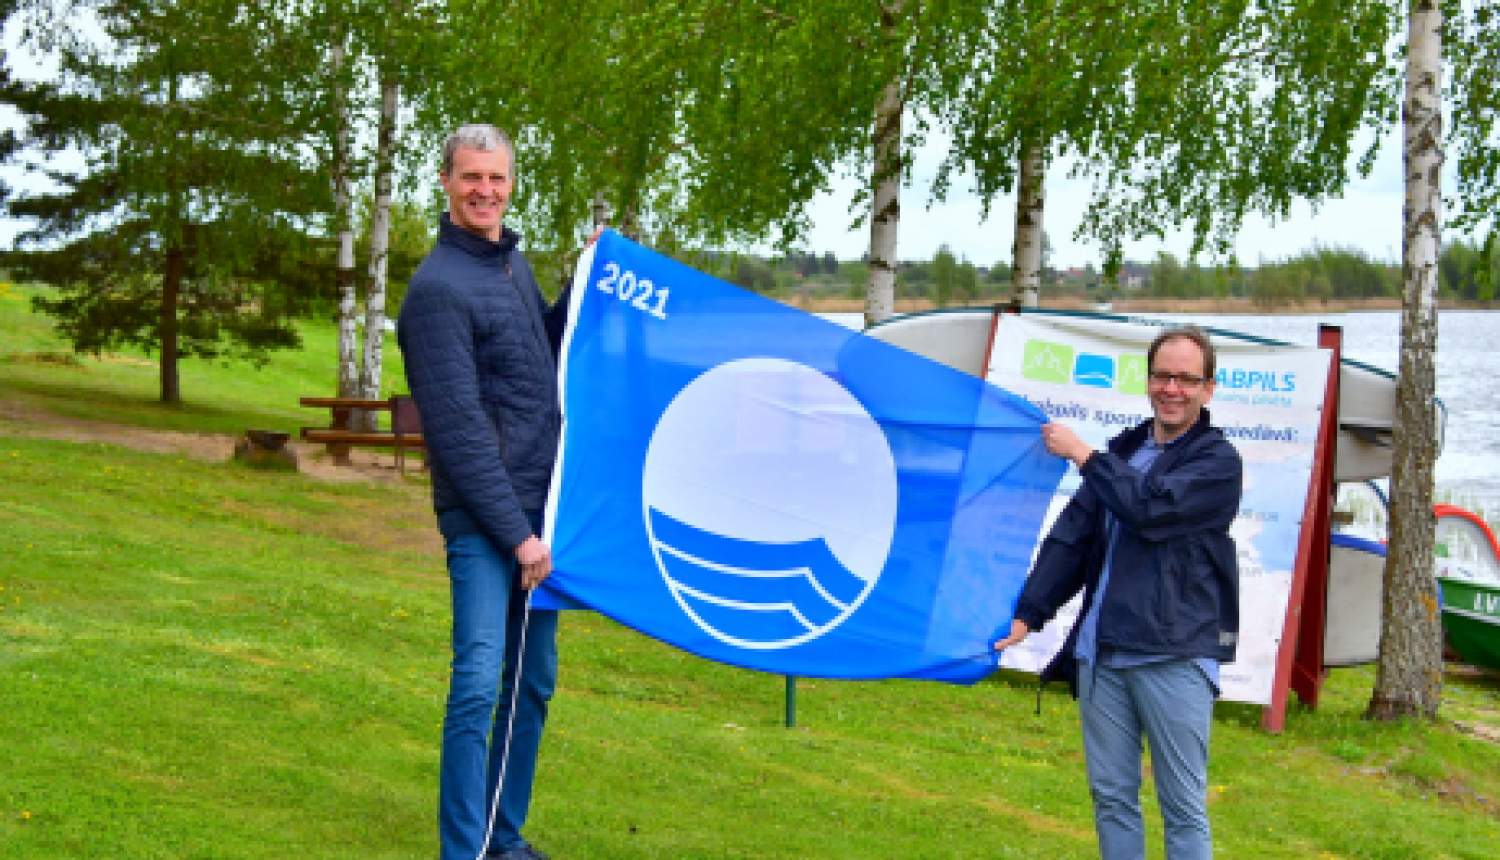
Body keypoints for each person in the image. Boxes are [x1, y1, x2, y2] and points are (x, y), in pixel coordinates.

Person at [994, 325, 1242, 860]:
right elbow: (1072, 538)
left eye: (1185, 379)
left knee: (1182, 809)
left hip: (1173, 656)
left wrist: (1083, 455)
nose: (1171, 388)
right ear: (1148, 380)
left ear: (1208, 389)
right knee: (1111, 800)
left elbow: (1149, 508)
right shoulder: (1124, 452)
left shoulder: (1218, 464)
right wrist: (1028, 615)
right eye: (1162, 376)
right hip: (1102, 657)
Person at [397, 124, 572, 860]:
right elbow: (462, 430)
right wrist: (516, 536)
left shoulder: (511, 266)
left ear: (510, 184)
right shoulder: (437, 289)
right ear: (445, 181)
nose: (485, 191)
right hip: (486, 524)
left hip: (538, 511)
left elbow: (536, 353)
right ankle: (462, 849)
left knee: (531, 684)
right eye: (471, 177)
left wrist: (583, 291)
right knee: (478, 682)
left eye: (496, 179)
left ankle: (504, 836)